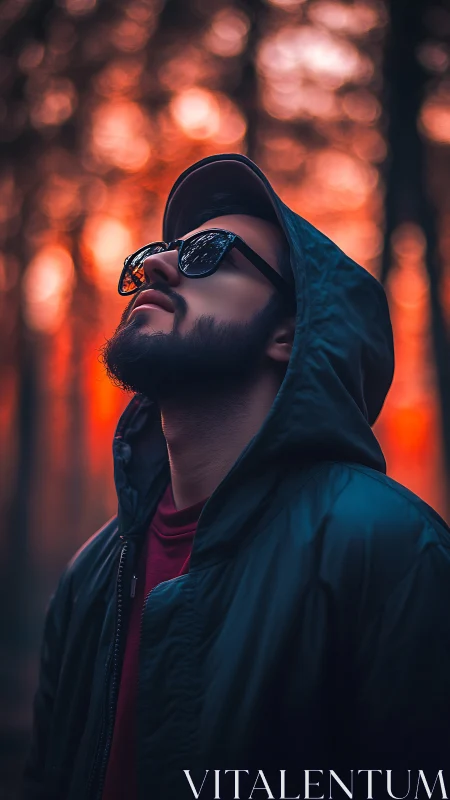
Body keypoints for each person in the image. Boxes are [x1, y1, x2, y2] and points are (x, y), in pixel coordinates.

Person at [22, 153, 450, 800]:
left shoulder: (390, 550)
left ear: (287, 333)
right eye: (157, 254)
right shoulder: (92, 575)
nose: (157, 267)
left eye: (208, 255)